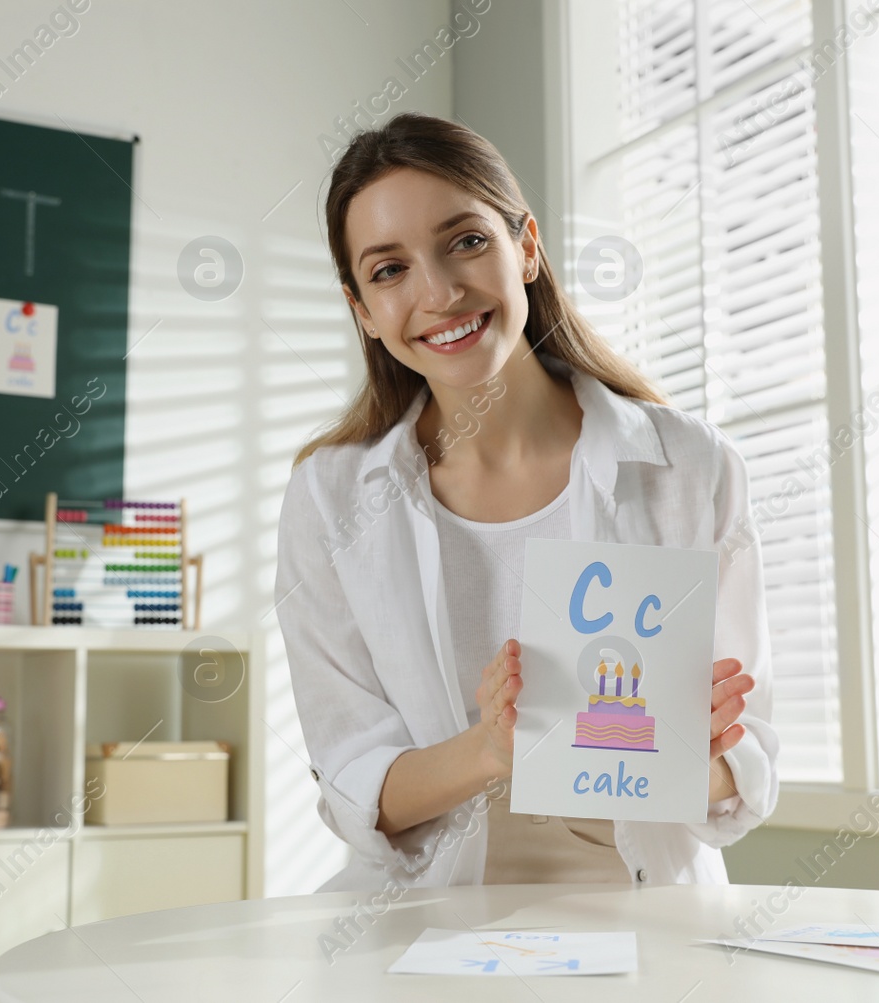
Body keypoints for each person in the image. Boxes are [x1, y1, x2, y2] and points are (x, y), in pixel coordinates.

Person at [275, 112, 777, 892]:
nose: (438, 292)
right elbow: (352, 785)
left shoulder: (688, 465)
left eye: (467, 241)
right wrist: (492, 748)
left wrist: (690, 750)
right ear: (362, 312)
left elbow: (747, 776)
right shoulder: (331, 496)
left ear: (528, 247)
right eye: (388, 270)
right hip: (426, 916)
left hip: (646, 907)